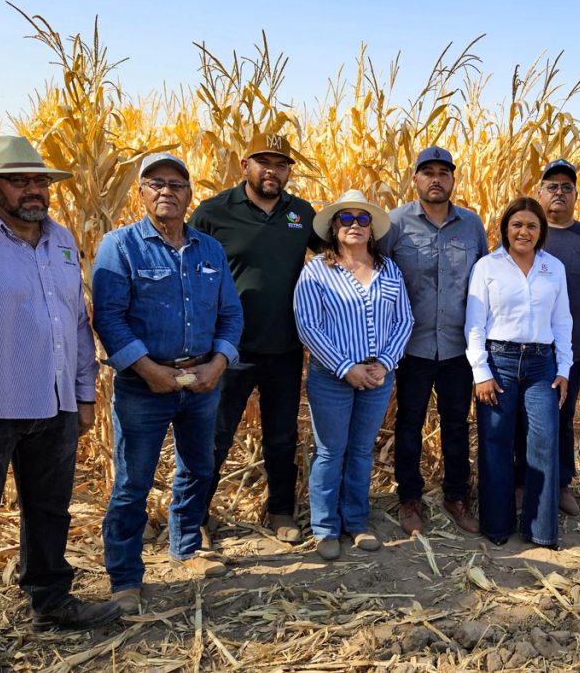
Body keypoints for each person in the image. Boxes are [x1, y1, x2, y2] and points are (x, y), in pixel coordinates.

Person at [0, 136, 120, 673]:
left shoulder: (61, 239)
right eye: (20, 180)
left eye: (40, 180)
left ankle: (50, 602)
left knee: (49, 509)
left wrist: (84, 393)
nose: (34, 190)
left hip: (55, 403)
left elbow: (75, 321)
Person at [92, 152, 243, 615]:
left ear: (189, 194)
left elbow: (231, 314)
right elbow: (109, 318)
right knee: (133, 482)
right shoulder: (120, 246)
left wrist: (218, 363)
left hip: (201, 380)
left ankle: (186, 547)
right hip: (144, 385)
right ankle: (125, 578)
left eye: (176, 185)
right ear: (141, 192)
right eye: (156, 183)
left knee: (199, 467)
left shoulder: (209, 249)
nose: (166, 191)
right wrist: (148, 370)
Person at [190, 132, 321, 545]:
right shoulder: (214, 212)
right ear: (245, 165)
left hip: (285, 347)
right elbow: (187, 268)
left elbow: (337, 257)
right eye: (264, 162)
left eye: (281, 164)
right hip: (228, 349)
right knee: (215, 436)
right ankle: (196, 516)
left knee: (282, 436)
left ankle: (280, 510)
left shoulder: (300, 213)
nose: (272, 171)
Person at [294, 189, 413, 561]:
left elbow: (404, 320)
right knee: (330, 451)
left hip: (377, 375)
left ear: (372, 228)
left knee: (361, 451)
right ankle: (325, 527)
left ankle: (357, 522)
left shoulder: (388, 269)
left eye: (363, 219)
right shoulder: (317, 271)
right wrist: (347, 368)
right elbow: (308, 326)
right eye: (346, 218)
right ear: (334, 227)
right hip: (332, 376)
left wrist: (385, 363)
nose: (355, 225)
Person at [379, 146, 487, 536]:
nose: (436, 180)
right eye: (428, 173)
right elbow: (376, 276)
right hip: (411, 347)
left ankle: (456, 496)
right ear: (415, 180)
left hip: (458, 346)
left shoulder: (471, 224)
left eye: (444, 173)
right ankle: (410, 499)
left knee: (456, 424)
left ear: (453, 179)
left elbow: (486, 279)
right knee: (409, 424)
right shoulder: (395, 223)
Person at [465, 197, 573, 549]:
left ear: (541, 232)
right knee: (495, 442)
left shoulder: (553, 267)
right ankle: (496, 526)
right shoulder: (487, 267)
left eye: (531, 226)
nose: (523, 231)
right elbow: (475, 324)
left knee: (543, 444)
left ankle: (540, 529)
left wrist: (564, 368)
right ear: (505, 228)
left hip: (542, 364)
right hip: (500, 362)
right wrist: (481, 371)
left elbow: (562, 321)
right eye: (516, 224)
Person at [514, 159, 580, 516]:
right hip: (521, 350)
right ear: (539, 193)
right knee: (521, 420)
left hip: (567, 352)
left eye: (567, 187)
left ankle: (560, 484)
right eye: (552, 186)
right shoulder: (524, 234)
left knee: (561, 416)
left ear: (576, 195)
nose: (559, 192)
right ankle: (522, 484)